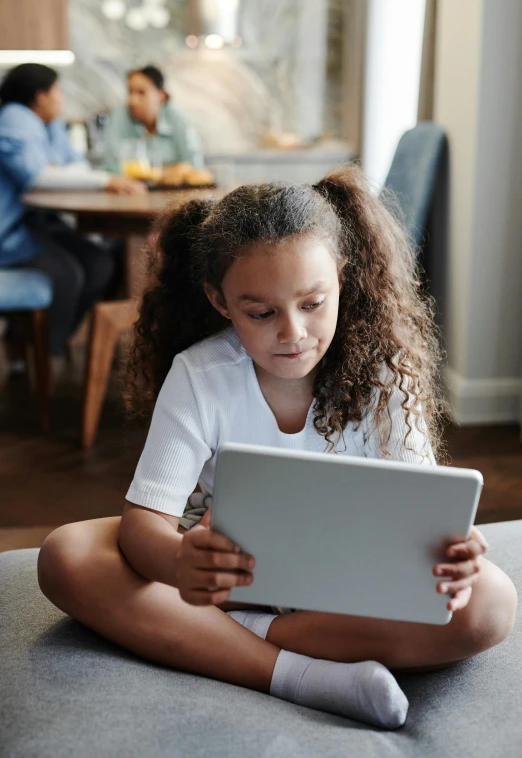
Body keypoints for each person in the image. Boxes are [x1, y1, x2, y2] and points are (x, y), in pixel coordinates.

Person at [37, 168, 517, 729]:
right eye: (261, 313)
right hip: (224, 576)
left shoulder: (386, 372)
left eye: (313, 303)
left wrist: (450, 554)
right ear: (220, 301)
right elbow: (145, 522)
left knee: (489, 604)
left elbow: (422, 507)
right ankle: (305, 677)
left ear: (342, 277)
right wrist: (178, 561)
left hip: (340, 586)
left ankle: (243, 641)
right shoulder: (200, 374)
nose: (292, 332)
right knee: (66, 554)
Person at [0, 63, 145, 359]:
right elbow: (38, 177)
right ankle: (41, 354)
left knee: (99, 264)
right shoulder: (16, 118)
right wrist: (105, 180)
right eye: (58, 91)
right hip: (10, 234)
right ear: (41, 96)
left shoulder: (47, 122)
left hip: (34, 226)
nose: (62, 97)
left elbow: (74, 164)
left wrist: (58, 171)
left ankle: (45, 342)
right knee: (68, 274)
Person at [103, 65, 204, 178]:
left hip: (173, 193)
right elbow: (109, 166)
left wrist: (152, 174)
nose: (132, 101)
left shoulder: (175, 117)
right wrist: (166, 172)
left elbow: (195, 165)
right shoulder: (120, 113)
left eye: (141, 93)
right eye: (130, 92)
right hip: (133, 192)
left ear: (161, 96)